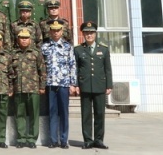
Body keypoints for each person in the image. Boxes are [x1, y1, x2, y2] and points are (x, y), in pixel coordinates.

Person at [73, 21, 112, 150]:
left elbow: (107, 69)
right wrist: (76, 84)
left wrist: (109, 85)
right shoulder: (78, 49)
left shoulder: (104, 49)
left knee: (100, 113)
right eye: (86, 33)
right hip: (85, 85)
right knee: (86, 115)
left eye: (91, 33)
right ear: (83, 34)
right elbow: (76, 68)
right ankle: (88, 140)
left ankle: (99, 140)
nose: (89, 35)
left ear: (95, 34)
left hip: (100, 85)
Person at [40, 22, 75, 149]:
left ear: (61, 31)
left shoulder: (67, 47)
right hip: (50, 84)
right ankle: (53, 140)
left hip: (64, 84)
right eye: (53, 31)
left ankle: (64, 140)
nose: (55, 33)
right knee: (52, 112)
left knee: (64, 113)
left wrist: (73, 83)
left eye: (58, 30)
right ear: (50, 32)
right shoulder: (44, 47)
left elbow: (72, 65)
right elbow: (41, 66)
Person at [10, 29, 46, 148]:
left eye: (26, 38)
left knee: (33, 115)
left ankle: (31, 139)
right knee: (19, 115)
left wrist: (42, 86)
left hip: (33, 89)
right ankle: (21, 139)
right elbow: (10, 73)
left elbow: (42, 71)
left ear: (30, 39)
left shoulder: (36, 53)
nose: (24, 40)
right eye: (21, 38)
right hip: (18, 88)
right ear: (18, 39)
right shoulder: (13, 54)